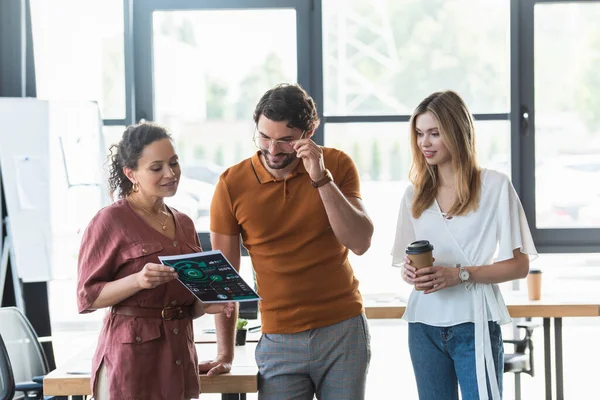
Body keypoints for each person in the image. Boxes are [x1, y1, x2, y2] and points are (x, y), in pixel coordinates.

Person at [200, 83, 374, 399]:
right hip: (279, 340)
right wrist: (224, 354)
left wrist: (320, 178)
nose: (273, 150)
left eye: (285, 141)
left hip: (343, 332)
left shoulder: (336, 165)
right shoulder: (232, 184)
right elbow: (221, 278)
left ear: (310, 131)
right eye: (264, 137)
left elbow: (360, 241)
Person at [391, 90, 538, 400]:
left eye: (434, 133)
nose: (424, 143)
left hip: (474, 323)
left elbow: (519, 266)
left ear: (457, 132)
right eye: (419, 134)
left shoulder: (495, 186)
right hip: (423, 326)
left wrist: (459, 274)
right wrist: (410, 273)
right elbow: (407, 263)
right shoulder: (414, 195)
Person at [77, 122, 233, 400]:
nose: (171, 174)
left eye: (174, 163)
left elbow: (190, 306)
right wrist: (137, 281)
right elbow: (87, 298)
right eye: (156, 167)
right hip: (131, 361)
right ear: (131, 173)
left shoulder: (184, 223)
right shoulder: (110, 220)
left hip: (178, 355)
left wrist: (208, 303)